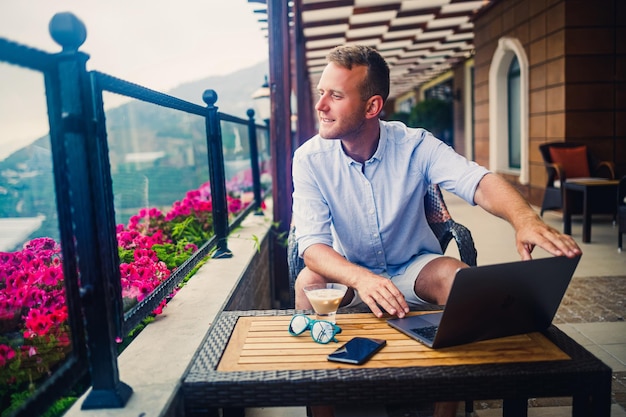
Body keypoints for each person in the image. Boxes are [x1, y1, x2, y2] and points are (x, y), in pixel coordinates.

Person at [291, 45, 582, 417]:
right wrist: (362, 278)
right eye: (321, 93)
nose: (321, 106)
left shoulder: (416, 145)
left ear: (372, 107)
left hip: (413, 266)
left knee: (459, 279)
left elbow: (476, 181)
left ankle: (446, 414)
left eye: (335, 95)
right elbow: (312, 245)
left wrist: (523, 218)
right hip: (350, 267)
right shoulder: (310, 158)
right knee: (307, 282)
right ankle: (323, 412)